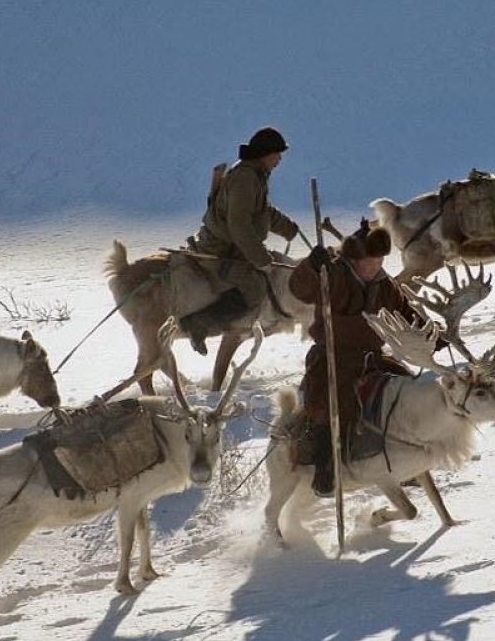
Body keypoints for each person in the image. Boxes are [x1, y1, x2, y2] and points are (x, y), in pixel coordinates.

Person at [288, 220, 421, 497]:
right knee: (334, 403)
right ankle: (326, 466)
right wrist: (311, 267)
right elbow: (299, 288)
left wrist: (434, 336)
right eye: (370, 260)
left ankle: (405, 460)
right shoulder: (333, 274)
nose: (376, 265)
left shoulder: (384, 284)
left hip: (372, 356)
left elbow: (406, 312)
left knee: (407, 387)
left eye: (380, 259)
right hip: (333, 356)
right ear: (354, 259)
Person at [180, 126, 301, 354]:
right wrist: (260, 259)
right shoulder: (245, 178)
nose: (279, 159)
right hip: (220, 250)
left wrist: (288, 228)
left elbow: (263, 211)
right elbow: (239, 225)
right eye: (277, 154)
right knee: (255, 288)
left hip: (235, 247)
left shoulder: (255, 175)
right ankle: (198, 323)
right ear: (265, 153)